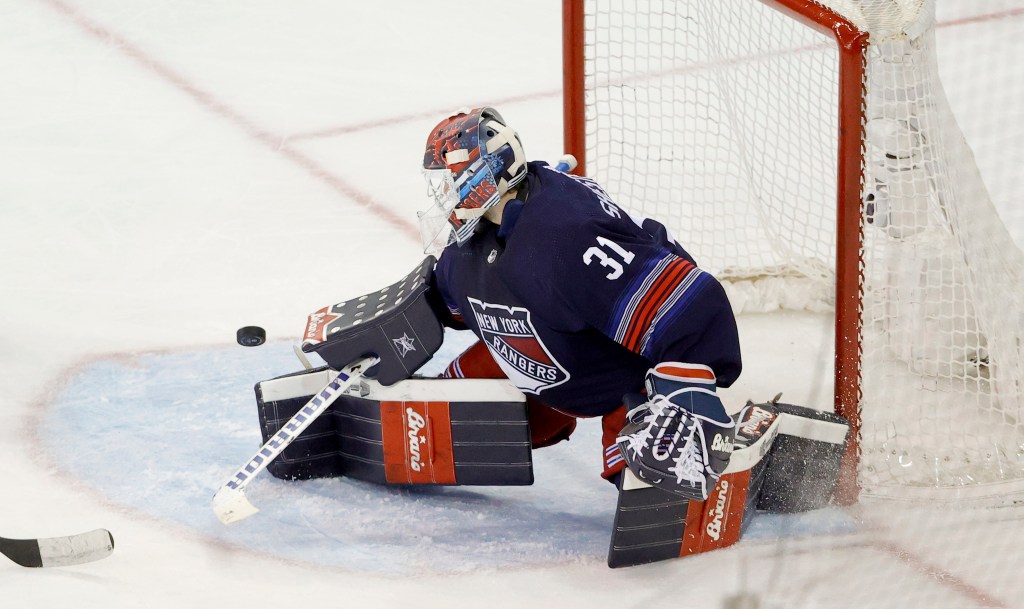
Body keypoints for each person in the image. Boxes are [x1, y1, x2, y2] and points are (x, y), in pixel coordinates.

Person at [418, 107, 742, 500]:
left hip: (619, 369)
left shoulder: (566, 237)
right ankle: (548, 407)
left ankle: (714, 442)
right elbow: (444, 300)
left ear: (486, 177)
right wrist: (385, 330)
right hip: (552, 350)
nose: (443, 195)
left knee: (651, 469)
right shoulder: (476, 235)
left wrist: (688, 394)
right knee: (438, 407)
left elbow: (691, 307)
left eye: (450, 181)